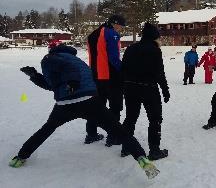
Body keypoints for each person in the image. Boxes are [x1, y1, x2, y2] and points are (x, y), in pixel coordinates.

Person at [8, 44, 159, 179]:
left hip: (66, 104)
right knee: (118, 130)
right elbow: (54, 84)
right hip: (90, 101)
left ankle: (21, 157)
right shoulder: (77, 60)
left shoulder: (50, 58)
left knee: (46, 129)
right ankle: (141, 158)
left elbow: (68, 71)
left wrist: (72, 82)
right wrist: (35, 76)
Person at [121, 23, 170, 160]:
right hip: (149, 89)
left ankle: (126, 147)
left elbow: (122, 69)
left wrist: (123, 87)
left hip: (130, 88)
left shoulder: (130, 48)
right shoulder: (155, 50)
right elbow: (159, 72)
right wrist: (165, 90)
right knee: (155, 119)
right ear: (154, 37)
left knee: (130, 118)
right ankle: (154, 150)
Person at [86, 15, 125, 146]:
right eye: (121, 26)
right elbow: (113, 58)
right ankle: (113, 136)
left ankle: (91, 134)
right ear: (115, 23)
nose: (121, 29)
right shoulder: (111, 34)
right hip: (110, 76)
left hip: (95, 76)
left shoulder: (93, 34)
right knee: (115, 106)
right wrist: (123, 70)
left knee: (97, 106)